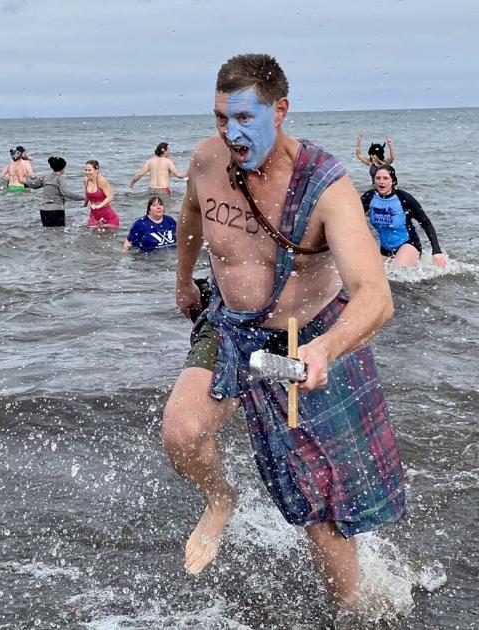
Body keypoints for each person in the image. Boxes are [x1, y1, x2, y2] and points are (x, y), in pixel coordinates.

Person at [162, 54, 403, 611]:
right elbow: (191, 221)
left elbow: (376, 295)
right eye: (222, 117)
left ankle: (348, 612)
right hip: (231, 329)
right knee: (181, 432)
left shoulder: (326, 185)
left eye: (245, 117)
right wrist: (183, 283)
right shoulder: (205, 160)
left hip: (304, 342)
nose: (232, 132)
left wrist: (327, 346)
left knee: (321, 511)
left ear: (281, 110)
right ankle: (221, 499)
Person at [360, 165, 447, 267]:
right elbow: (353, 219)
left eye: (385, 178)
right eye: (378, 178)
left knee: (396, 272)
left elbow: (426, 223)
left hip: (409, 244)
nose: (381, 181)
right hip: (385, 249)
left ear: (393, 181)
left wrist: (436, 251)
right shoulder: (369, 197)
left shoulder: (404, 198)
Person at [26, 156, 84, 227]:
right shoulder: (59, 179)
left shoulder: (45, 177)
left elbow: (33, 185)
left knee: (47, 233)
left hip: (44, 211)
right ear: (63, 168)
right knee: (59, 234)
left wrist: (27, 177)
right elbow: (66, 193)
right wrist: (82, 198)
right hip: (57, 210)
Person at [83, 160, 119, 228]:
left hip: (108, 218)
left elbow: (110, 197)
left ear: (96, 170)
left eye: (89, 170)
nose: (87, 172)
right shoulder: (86, 180)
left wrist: (99, 206)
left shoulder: (101, 180)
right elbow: (87, 193)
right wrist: (85, 204)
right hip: (94, 216)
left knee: (106, 238)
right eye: (85, 170)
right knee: (91, 237)